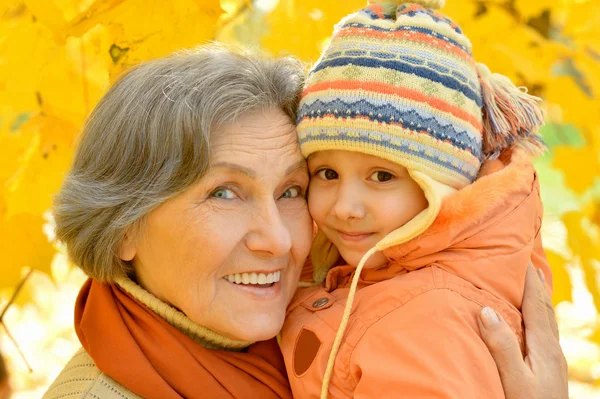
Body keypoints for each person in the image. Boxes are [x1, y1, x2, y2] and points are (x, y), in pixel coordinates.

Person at [42, 45, 568, 399]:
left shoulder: (339, 332)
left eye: (292, 190)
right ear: (124, 225)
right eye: (224, 193)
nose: (278, 240)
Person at [280, 0, 554, 398]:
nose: (344, 207)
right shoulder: (367, 272)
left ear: (446, 187)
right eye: (327, 173)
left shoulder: (427, 323)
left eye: (383, 176)